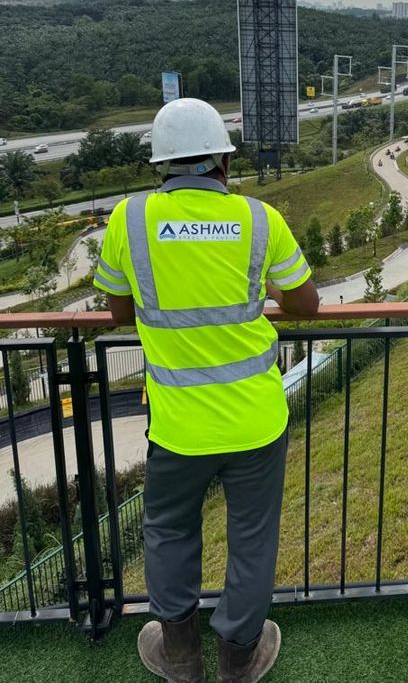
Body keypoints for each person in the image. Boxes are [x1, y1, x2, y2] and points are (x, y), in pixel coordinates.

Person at [93, 98, 319, 683]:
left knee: (168, 530)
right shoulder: (259, 219)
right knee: (251, 536)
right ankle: (240, 655)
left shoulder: (130, 219)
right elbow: (304, 302)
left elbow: (119, 311)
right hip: (255, 420)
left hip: (177, 425)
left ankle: (180, 654)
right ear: (223, 159)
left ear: (161, 165)